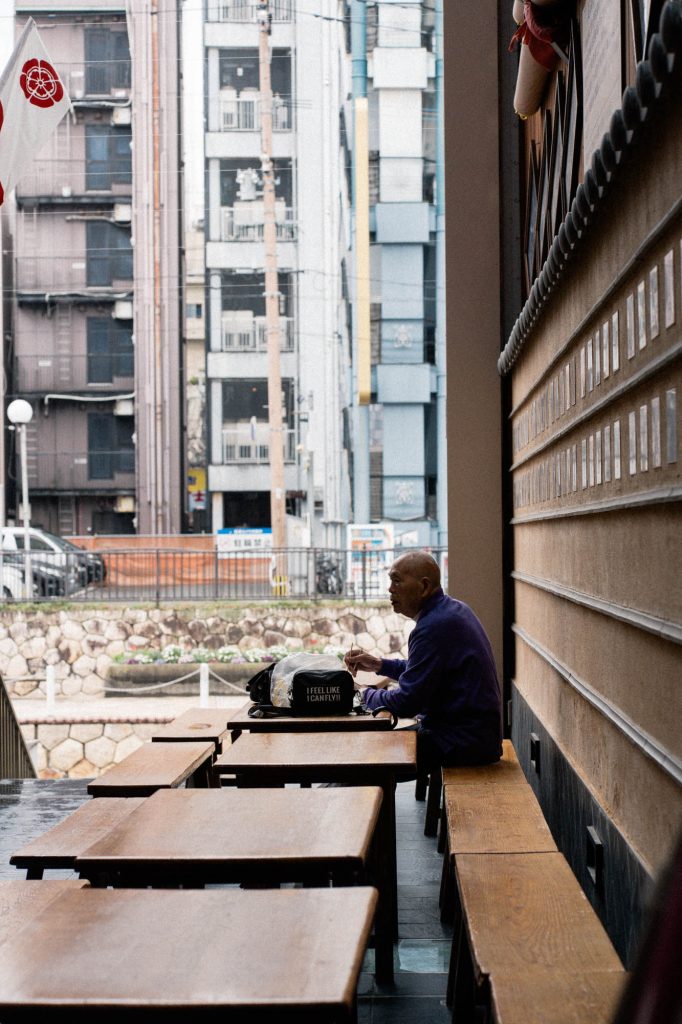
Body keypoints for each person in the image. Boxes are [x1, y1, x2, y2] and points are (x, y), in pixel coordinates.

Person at [344, 550, 502, 773]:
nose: (390, 589)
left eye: (397, 581)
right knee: (372, 751)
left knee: (366, 757)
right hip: (472, 736)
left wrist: (362, 694)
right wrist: (379, 664)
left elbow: (407, 702)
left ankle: (340, 805)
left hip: (462, 742)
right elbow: (426, 672)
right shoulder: (450, 611)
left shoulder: (432, 627)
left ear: (424, 587)